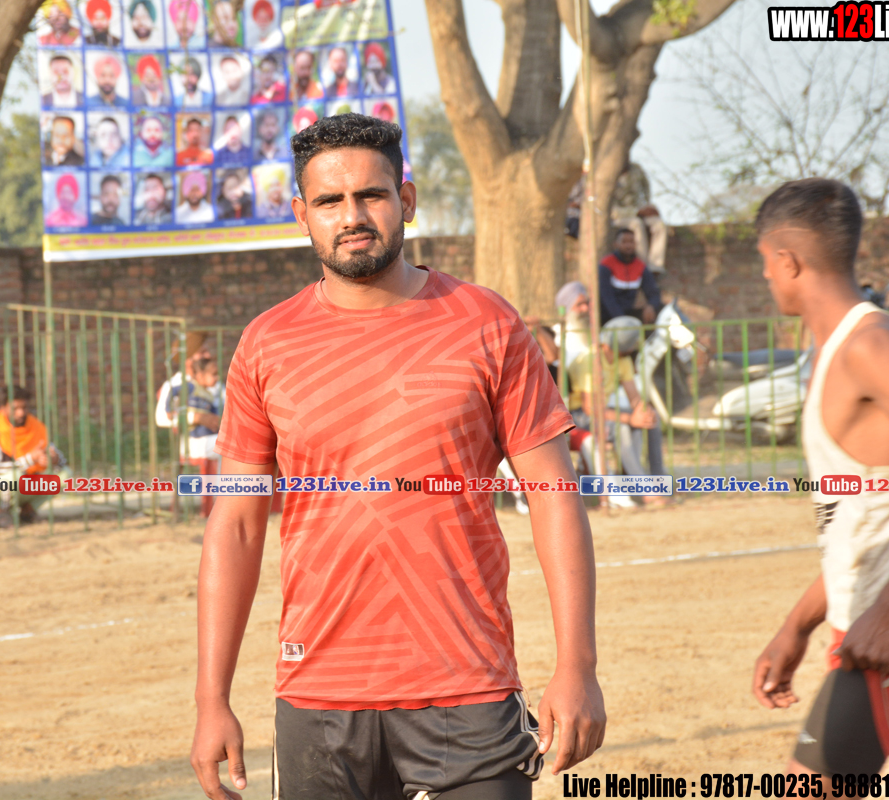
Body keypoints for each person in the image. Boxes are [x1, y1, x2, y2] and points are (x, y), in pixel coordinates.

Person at [190, 114, 605, 800]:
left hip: (468, 686)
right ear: (302, 214)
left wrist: (577, 666)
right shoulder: (267, 344)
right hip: (319, 695)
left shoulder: (487, 323)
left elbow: (554, 494)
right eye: (329, 200)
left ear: (405, 200)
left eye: (370, 195)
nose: (351, 216)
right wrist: (212, 700)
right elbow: (234, 525)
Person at [750, 178, 889, 777]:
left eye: (765, 261)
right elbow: (864, 521)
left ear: (787, 261)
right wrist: (797, 626)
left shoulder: (871, 346)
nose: (765, 276)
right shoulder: (839, 350)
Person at [566, 317, 664, 508]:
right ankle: (644, 489)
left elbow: (634, 397)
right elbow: (589, 408)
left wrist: (643, 411)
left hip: (602, 412)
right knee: (623, 428)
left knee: (651, 420)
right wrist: (629, 418)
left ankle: (656, 477)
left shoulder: (623, 360)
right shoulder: (590, 360)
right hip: (577, 415)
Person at [0, 387, 69, 529]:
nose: (21, 413)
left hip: (28, 481)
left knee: (64, 475)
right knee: (13, 477)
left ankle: (28, 510)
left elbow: (61, 460)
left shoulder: (36, 427)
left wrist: (54, 459)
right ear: (3, 408)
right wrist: (30, 459)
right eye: (15, 408)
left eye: (24, 407)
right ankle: (4, 512)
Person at [598, 228, 662, 325]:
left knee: (660, 309)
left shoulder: (640, 266)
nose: (628, 246)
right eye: (624, 242)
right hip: (607, 314)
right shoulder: (607, 264)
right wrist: (622, 319)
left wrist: (651, 306)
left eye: (631, 242)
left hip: (628, 312)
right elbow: (607, 297)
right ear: (616, 244)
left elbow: (653, 292)